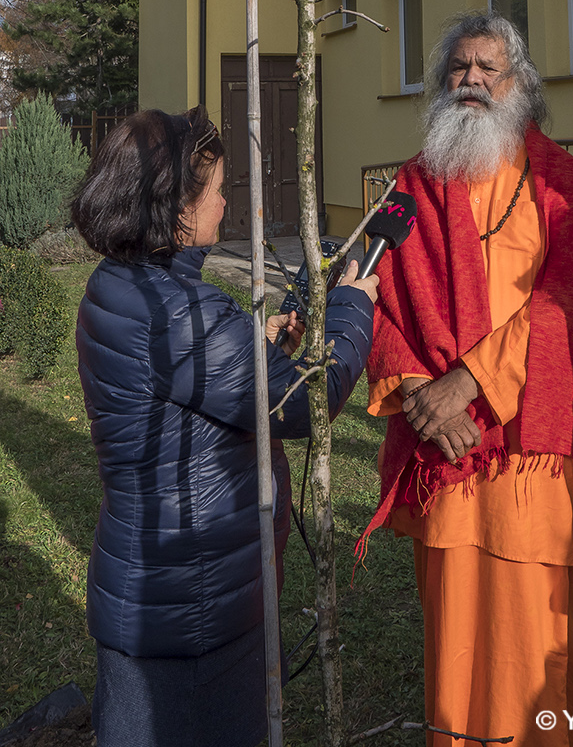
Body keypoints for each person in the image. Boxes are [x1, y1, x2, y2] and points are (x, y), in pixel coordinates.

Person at [360, 11, 573, 747]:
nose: (472, 80)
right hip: (447, 453)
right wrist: (420, 391)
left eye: (490, 69)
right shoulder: (410, 186)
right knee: (456, 644)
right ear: (441, 82)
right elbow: (372, 298)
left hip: (538, 446)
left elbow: (568, 300)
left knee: (538, 644)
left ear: (520, 87)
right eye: (459, 68)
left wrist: (469, 383)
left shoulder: (560, 181)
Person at [73, 106, 377, 747]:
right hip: (193, 611)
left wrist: (258, 350)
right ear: (176, 212)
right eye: (214, 186)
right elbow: (304, 402)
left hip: (150, 591)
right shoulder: (182, 312)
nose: (226, 197)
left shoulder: (118, 287)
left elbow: (190, 389)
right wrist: (353, 307)